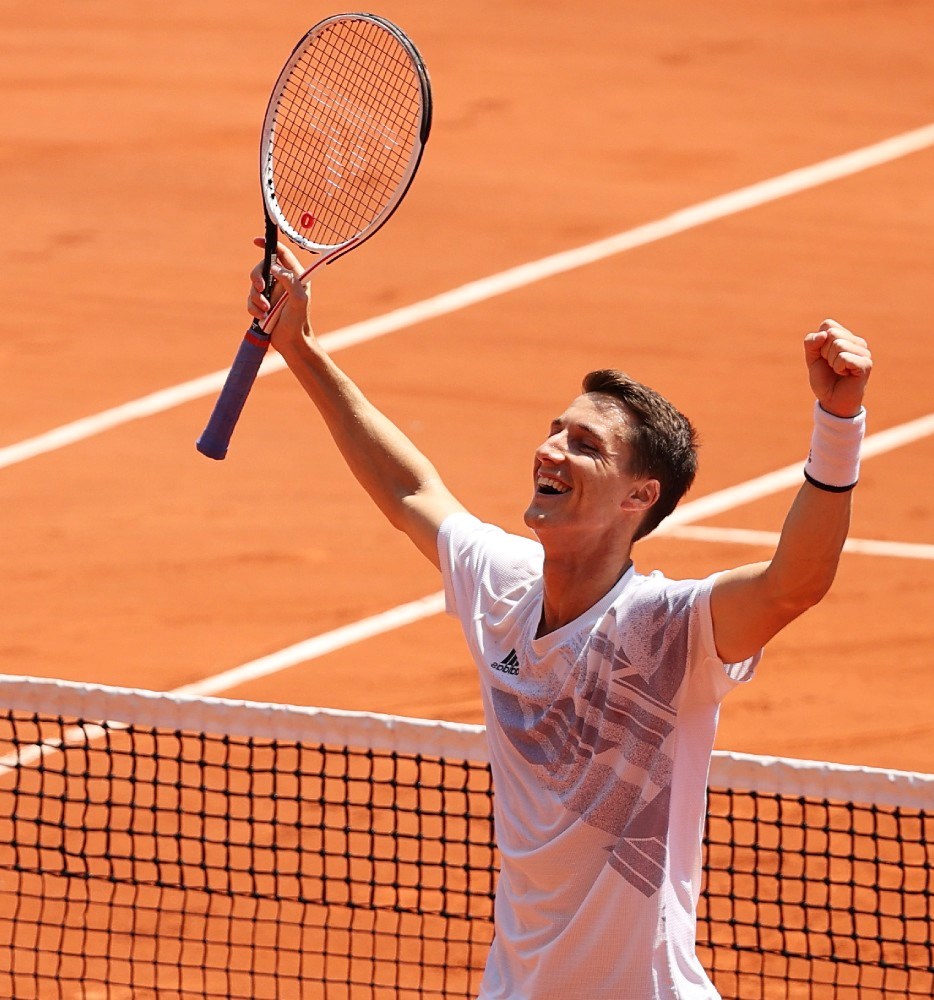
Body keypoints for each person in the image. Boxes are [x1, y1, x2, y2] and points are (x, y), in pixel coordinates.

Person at [248, 238, 871, 999]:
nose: (550, 451)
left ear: (640, 498)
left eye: (584, 446)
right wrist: (300, 348)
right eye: (555, 430)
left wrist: (839, 425)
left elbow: (790, 586)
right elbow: (412, 491)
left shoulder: (670, 630)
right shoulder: (502, 588)